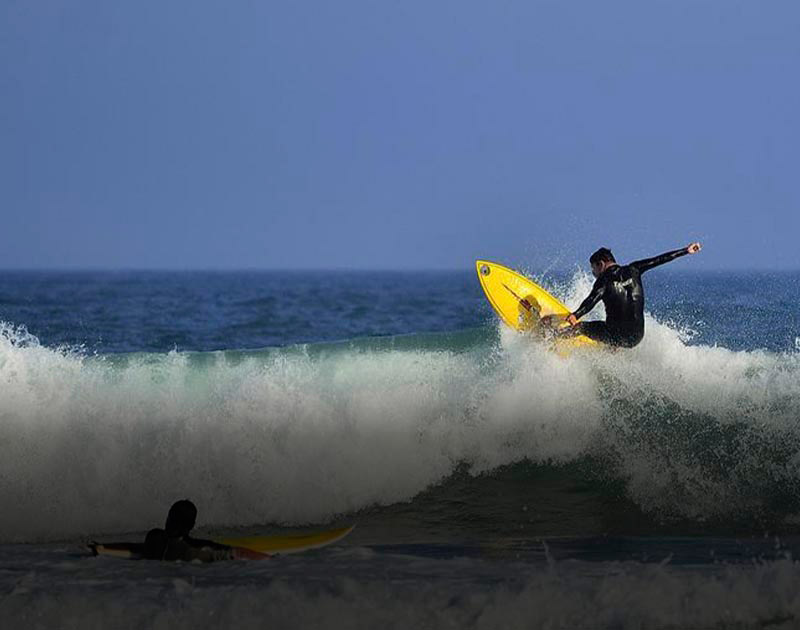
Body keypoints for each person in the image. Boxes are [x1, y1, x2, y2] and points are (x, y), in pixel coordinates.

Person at [546, 242, 702, 348]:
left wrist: (576, 315)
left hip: (617, 335)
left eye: (593, 269)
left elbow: (592, 299)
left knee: (580, 328)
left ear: (601, 264)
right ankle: (611, 349)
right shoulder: (634, 269)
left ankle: (551, 339)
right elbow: (659, 259)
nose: (594, 274)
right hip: (637, 337)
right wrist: (685, 251)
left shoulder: (604, 280)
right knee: (616, 329)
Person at [143, 499, 262, 562]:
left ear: (169, 517)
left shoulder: (153, 537)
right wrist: (273, 560)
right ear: (192, 525)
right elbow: (237, 553)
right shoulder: (193, 550)